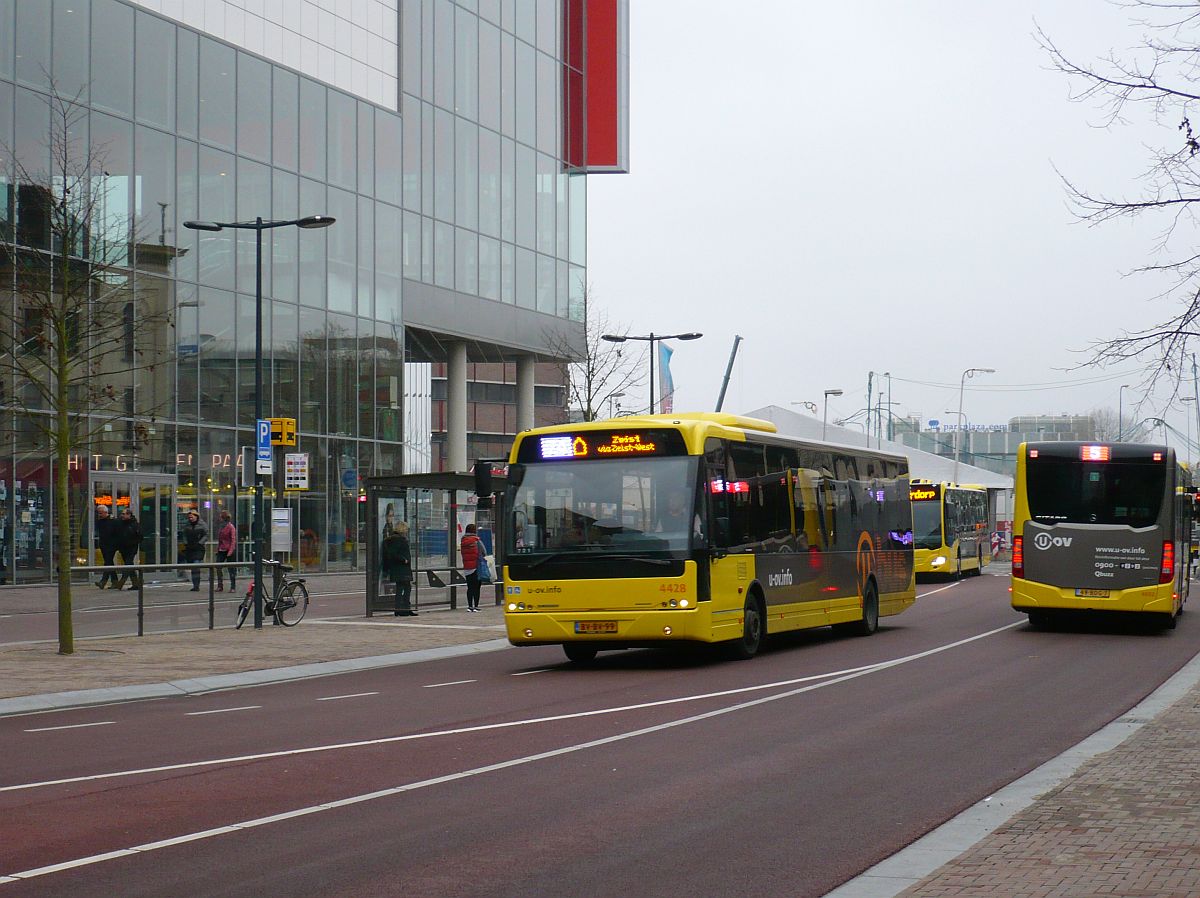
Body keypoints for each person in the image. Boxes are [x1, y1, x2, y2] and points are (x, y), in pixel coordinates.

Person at [381, 521, 415, 616]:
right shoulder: (399, 540)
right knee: (406, 588)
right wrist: (404, 560)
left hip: (398, 568)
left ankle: (401, 609)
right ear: (402, 529)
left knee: (401, 588)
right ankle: (403, 609)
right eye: (406, 529)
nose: (407, 531)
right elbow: (393, 554)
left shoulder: (392, 539)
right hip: (402, 568)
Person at [114, 508, 143, 590]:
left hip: (131, 548)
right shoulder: (120, 523)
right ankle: (136, 583)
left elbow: (140, 536)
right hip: (123, 548)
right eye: (122, 514)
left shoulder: (134, 524)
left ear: (129, 515)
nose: (122, 515)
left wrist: (133, 542)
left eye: (124, 514)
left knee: (128, 563)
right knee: (130, 566)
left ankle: (122, 581)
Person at [94, 504, 121, 589]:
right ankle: (115, 581)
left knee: (108, 562)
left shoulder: (113, 521)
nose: (99, 515)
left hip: (111, 545)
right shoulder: (99, 521)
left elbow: (116, 533)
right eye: (98, 513)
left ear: (106, 512)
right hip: (103, 544)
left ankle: (103, 581)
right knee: (109, 563)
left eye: (101, 513)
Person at [460, 523, 484, 612]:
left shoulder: (463, 541)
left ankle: (470, 606)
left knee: (470, 587)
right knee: (477, 587)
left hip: (467, 567)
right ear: (474, 531)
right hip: (476, 566)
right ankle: (476, 606)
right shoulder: (476, 540)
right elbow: (484, 551)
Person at [181, 510, 207, 591]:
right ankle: (195, 585)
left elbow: (206, 534)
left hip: (198, 548)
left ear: (196, 516)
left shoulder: (202, 525)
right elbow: (184, 534)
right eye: (189, 517)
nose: (190, 518)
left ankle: (196, 585)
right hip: (190, 548)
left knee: (196, 565)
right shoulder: (187, 525)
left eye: (192, 517)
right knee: (193, 566)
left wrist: (200, 542)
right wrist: (185, 543)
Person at [215, 510, 237, 593]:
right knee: (218, 567)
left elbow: (233, 540)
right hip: (221, 549)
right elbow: (220, 539)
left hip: (229, 550)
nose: (219, 518)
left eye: (220, 517)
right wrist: (218, 549)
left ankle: (233, 586)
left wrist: (230, 551)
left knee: (231, 569)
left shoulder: (231, 527)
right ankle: (220, 586)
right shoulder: (221, 527)